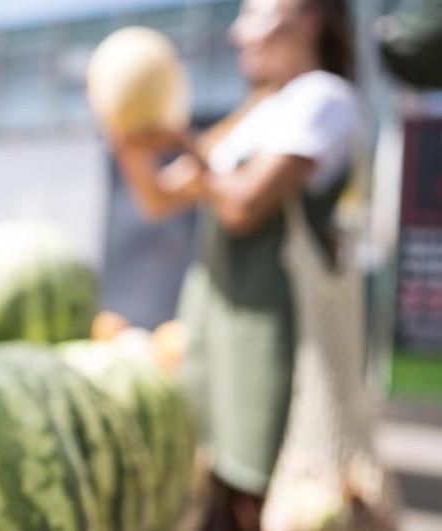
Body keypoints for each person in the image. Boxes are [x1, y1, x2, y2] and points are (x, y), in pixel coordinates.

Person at [106, 0, 361, 529]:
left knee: (257, 494)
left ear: (308, 18)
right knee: (212, 489)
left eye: (254, 15)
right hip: (212, 329)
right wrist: (126, 136)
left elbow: (243, 206)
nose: (239, 35)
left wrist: (184, 144)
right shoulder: (256, 110)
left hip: (267, 337)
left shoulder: (324, 99)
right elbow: (157, 199)